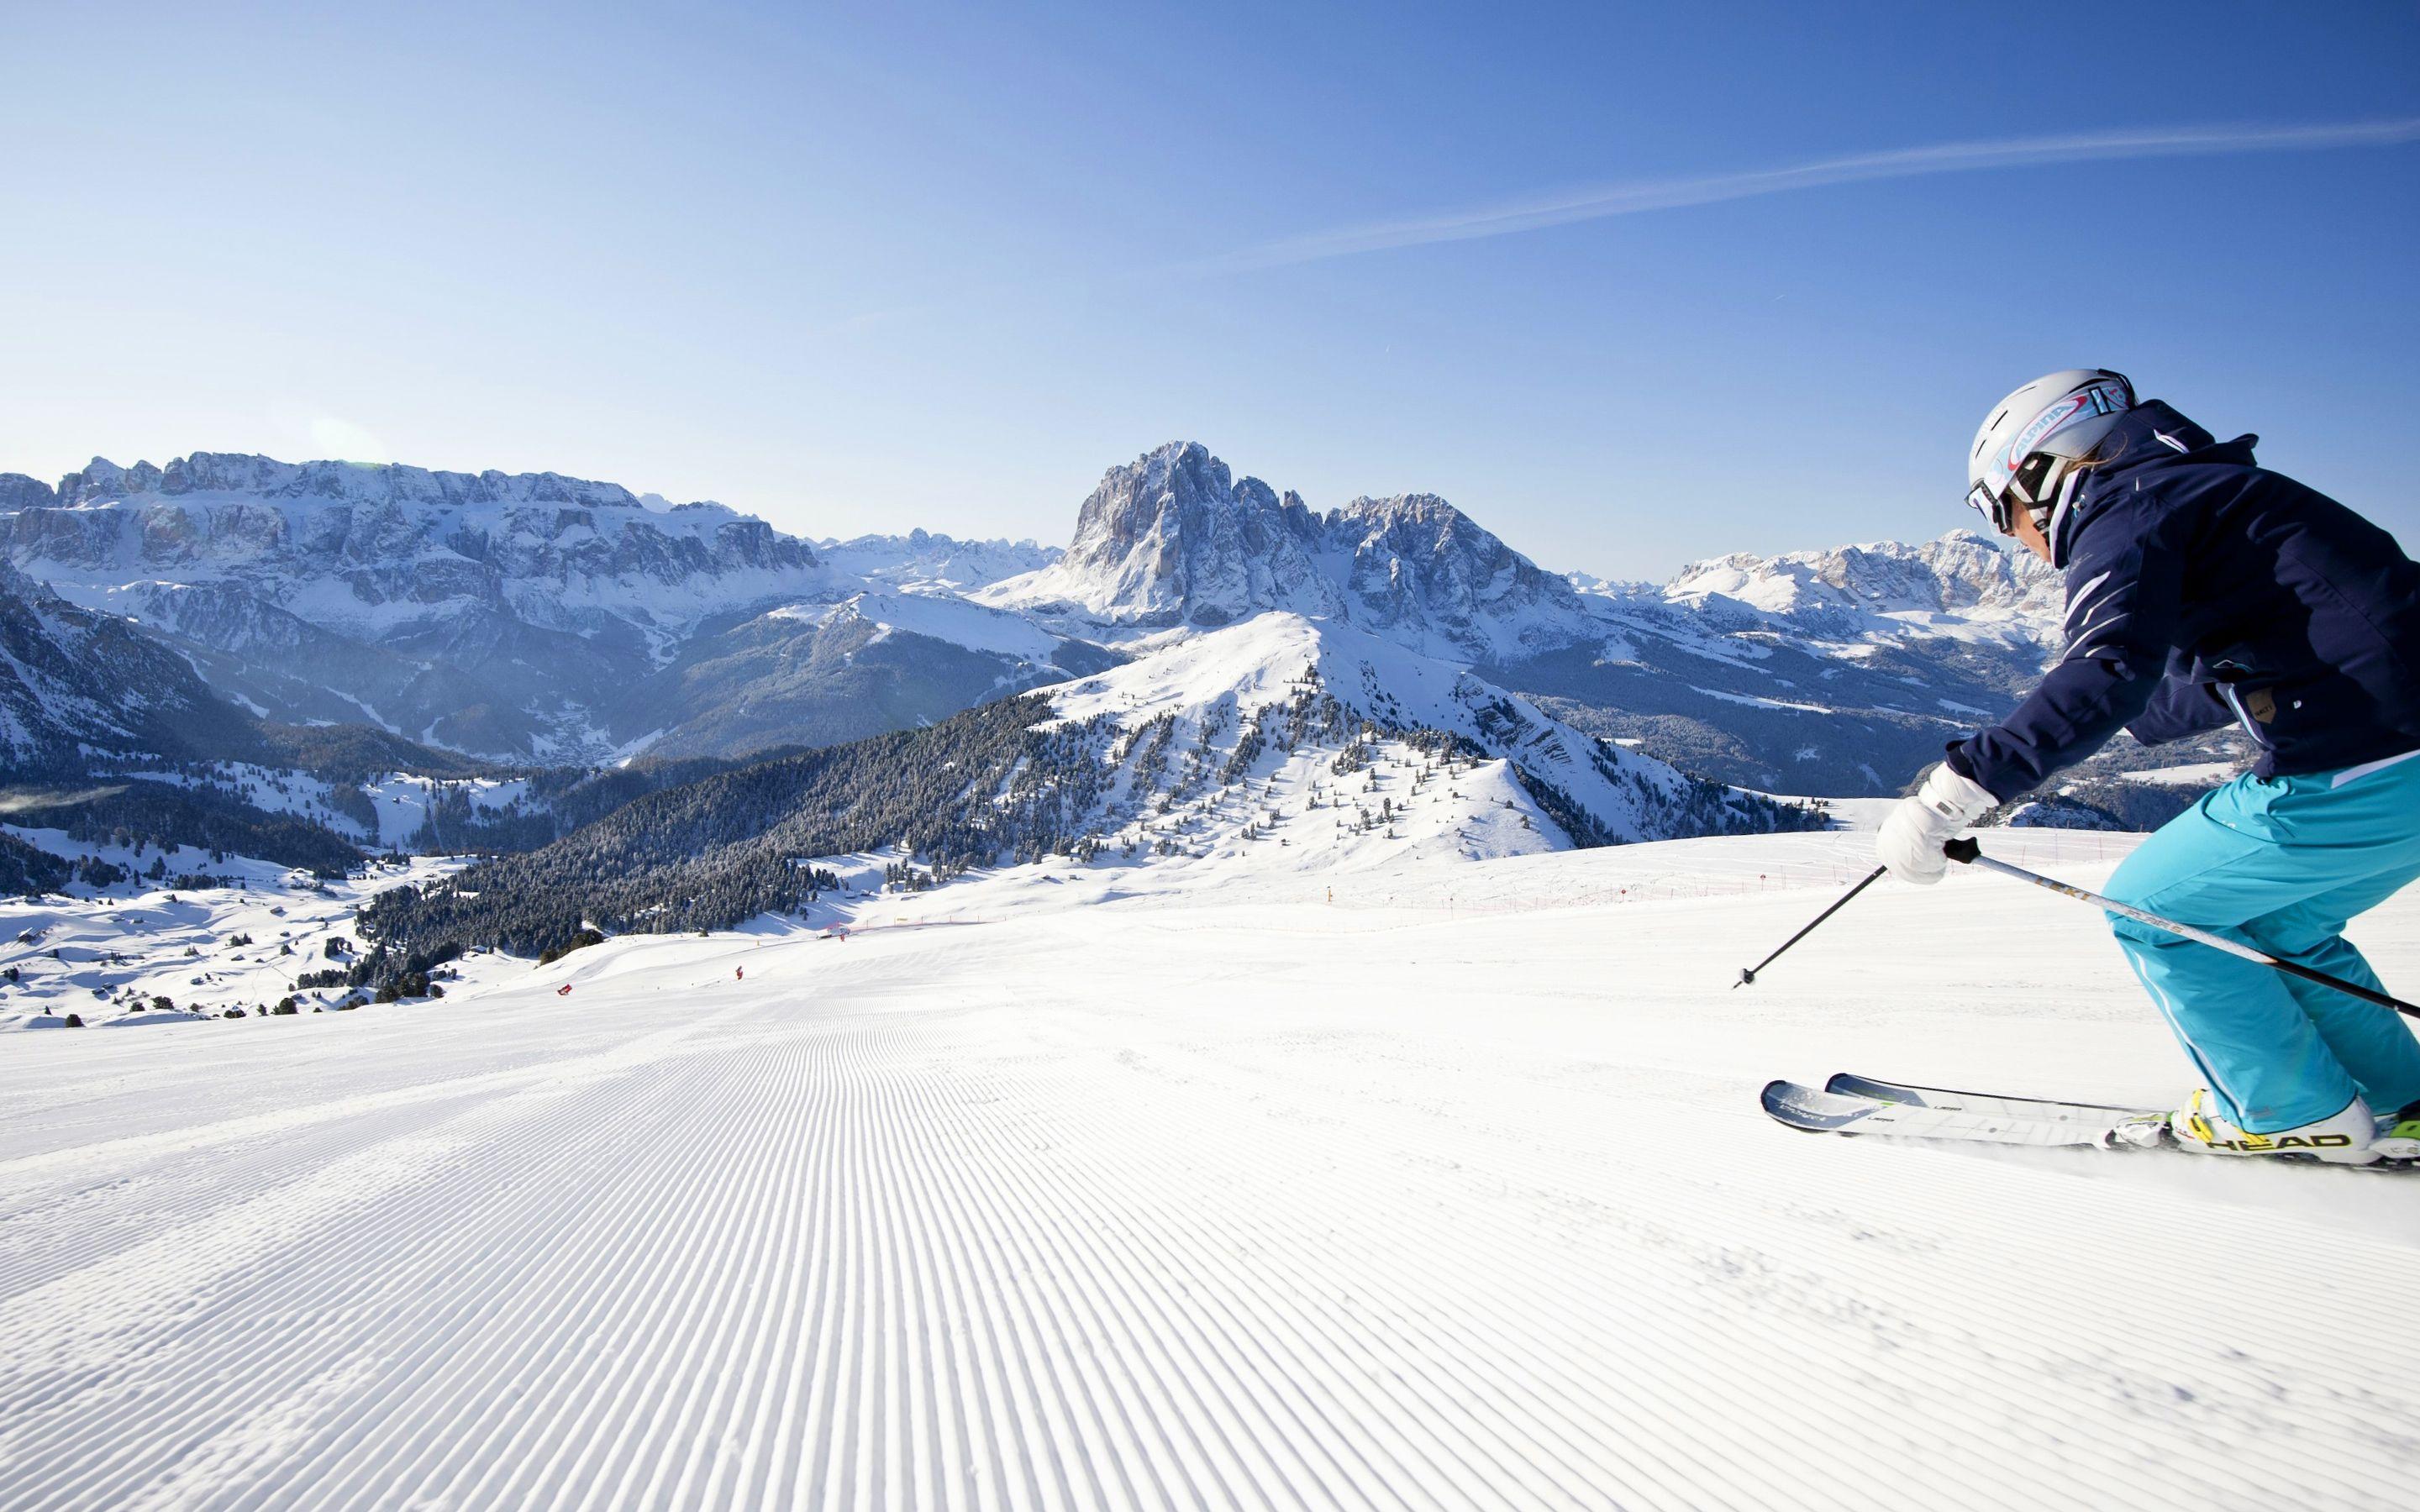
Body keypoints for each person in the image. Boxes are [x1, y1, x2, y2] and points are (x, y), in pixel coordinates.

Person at [1878, 369, 2420, 1164]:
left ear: (2041, 471)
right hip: (2394, 761)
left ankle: (2286, 1112)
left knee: (2152, 909)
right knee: (2279, 924)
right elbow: (2239, 664)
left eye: (2004, 513)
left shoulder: (2128, 505)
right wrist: (2086, 736)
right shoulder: (2207, 490)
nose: (2017, 538)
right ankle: (2400, 1097)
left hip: (2368, 763)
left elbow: (2108, 666)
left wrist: (1954, 794)